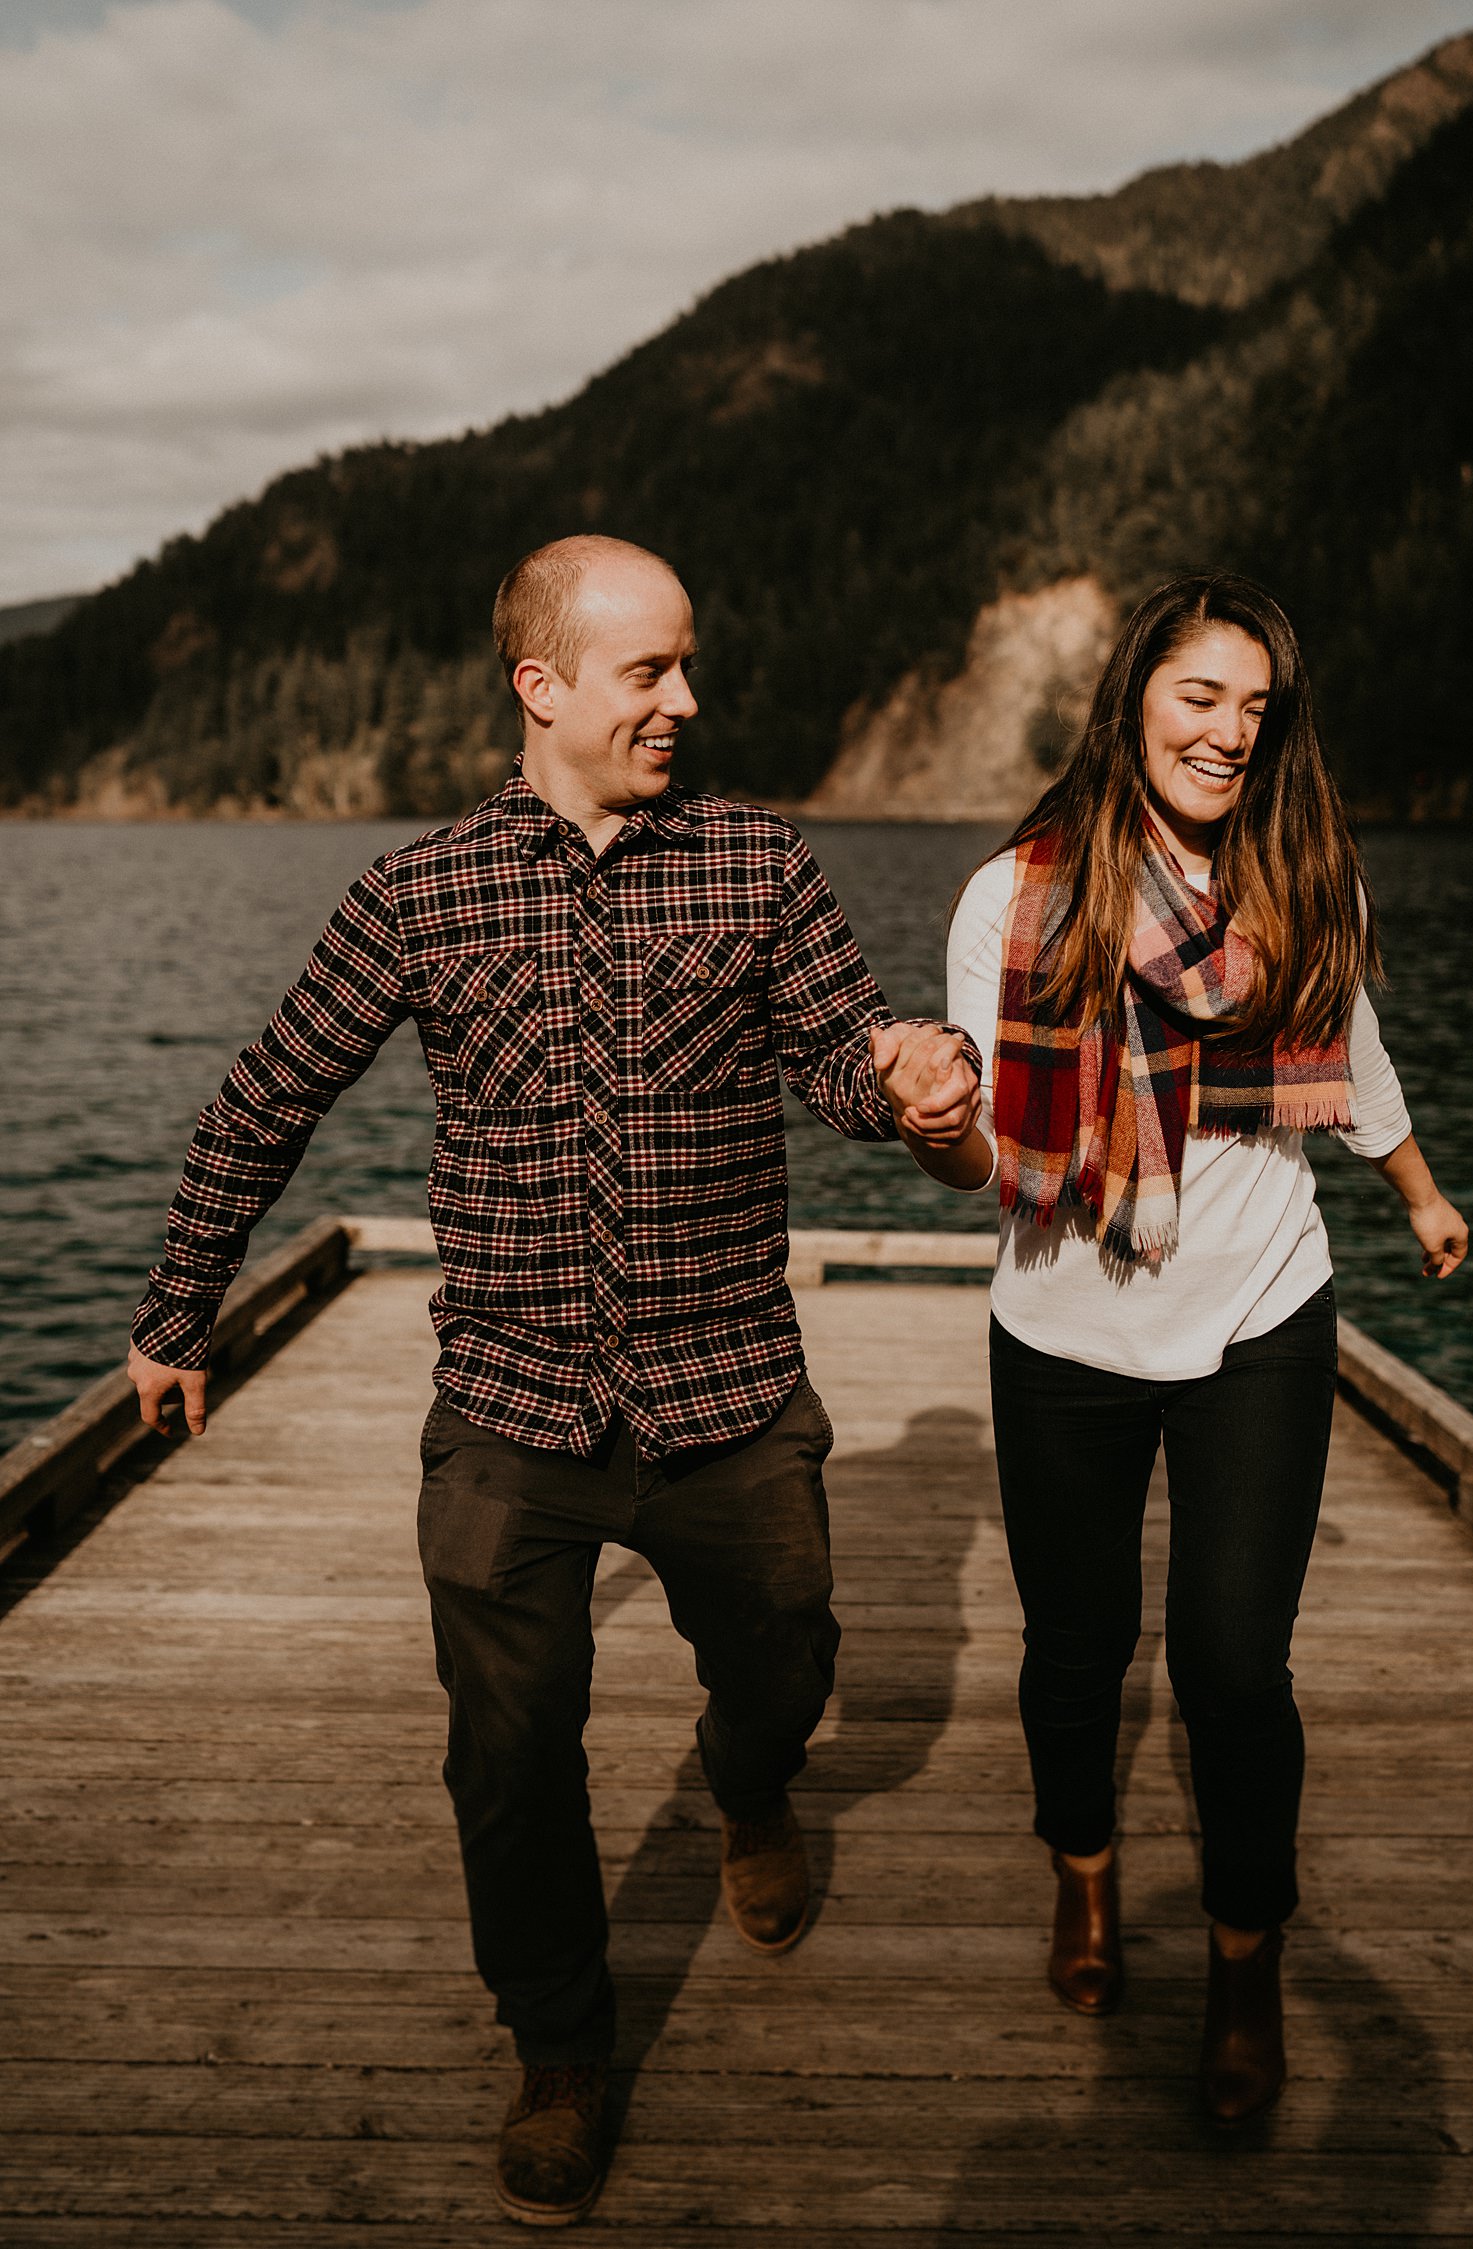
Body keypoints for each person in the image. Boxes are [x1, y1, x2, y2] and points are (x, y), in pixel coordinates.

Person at [126, 534, 979, 2226]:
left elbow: (840, 1060)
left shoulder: (757, 862)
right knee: (509, 1759)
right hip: (510, 1411)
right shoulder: (419, 894)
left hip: (731, 1393)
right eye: (647, 670)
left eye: (685, 664)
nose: (684, 699)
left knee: (790, 1663)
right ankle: (563, 2050)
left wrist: (921, 1093)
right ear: (543, 686)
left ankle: (751, 1784)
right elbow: (267, 1100)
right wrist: (175, 1315)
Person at [894, 572, 1467, 2124]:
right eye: (1199, 695)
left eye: (1253, 710)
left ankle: (1241, 1959)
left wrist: (1416, 1192)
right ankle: (1083, 1874)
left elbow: (1351, 1048)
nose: (1226, 733)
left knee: (1232, 1669)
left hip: (1260, 1316)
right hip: (1061, 1324)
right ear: (1136, 693)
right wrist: (936, 1122)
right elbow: (978, 1160)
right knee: (1077, 1653)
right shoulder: (1014, 898)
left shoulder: (1305, 878)